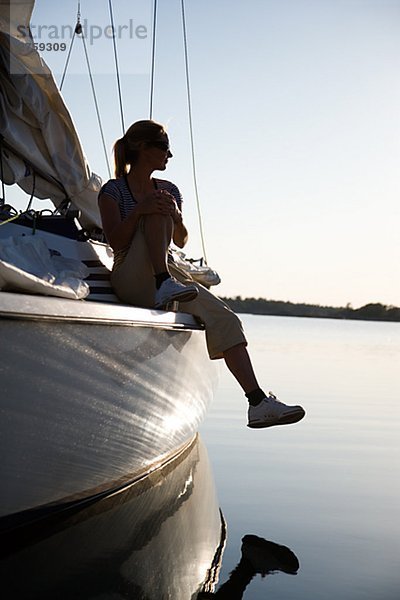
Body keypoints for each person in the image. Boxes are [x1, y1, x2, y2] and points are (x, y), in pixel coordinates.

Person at [98, 120, 305, 429]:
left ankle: (257, 402)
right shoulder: (113, 191)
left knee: (225, 318)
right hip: (130, 275)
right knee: (155, 212)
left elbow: (180, 240)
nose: (170, 155)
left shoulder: (168, 190)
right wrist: (142, 210)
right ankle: (161, 283)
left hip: (171, 275)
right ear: (143, 148)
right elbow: (114, 241)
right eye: (165, 148)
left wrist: (176, 216)